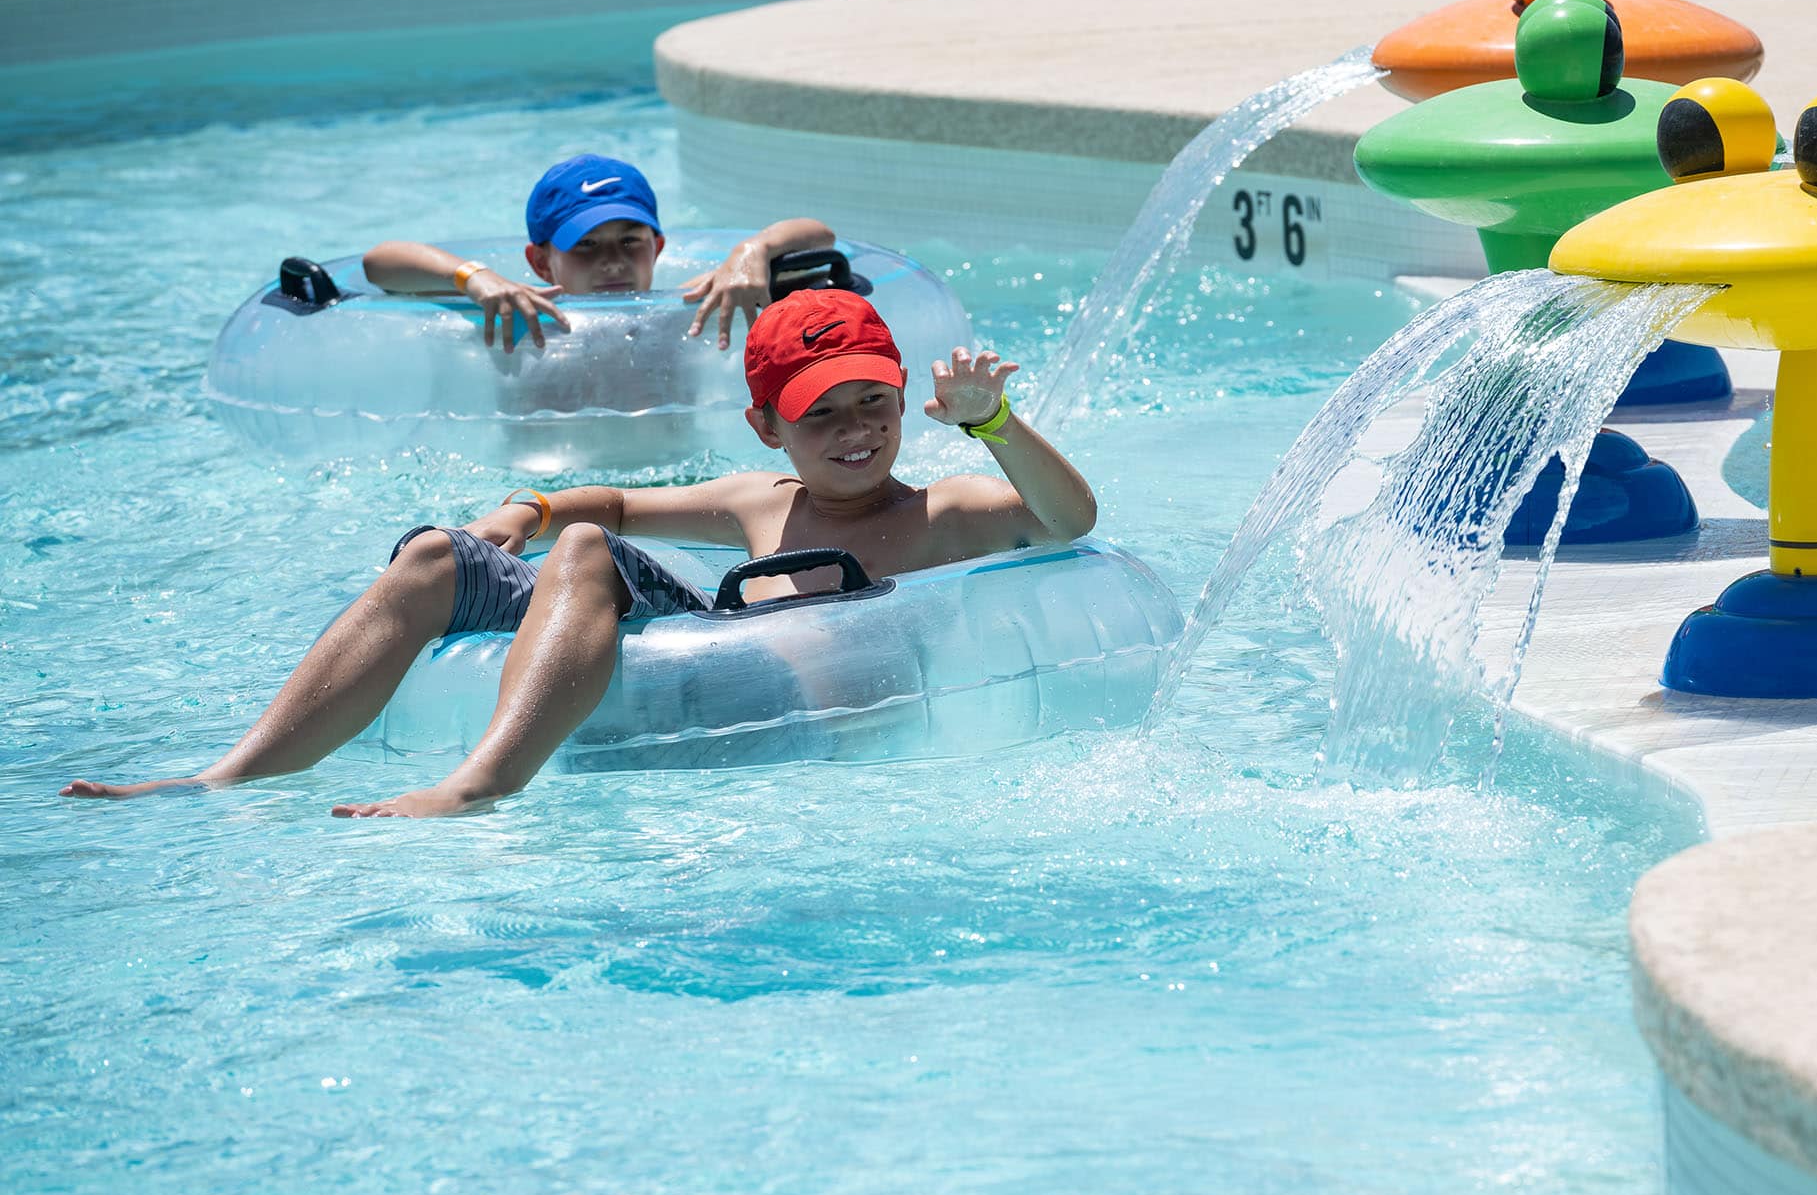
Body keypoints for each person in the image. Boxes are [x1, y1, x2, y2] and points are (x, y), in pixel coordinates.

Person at [62, 290, 1094, 818]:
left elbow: (1068, 517)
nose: (854, 430)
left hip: (794, 722)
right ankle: (233, 772)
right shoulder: (758, 498)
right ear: (768, 427)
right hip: (696, 688)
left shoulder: (945, 509)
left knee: (594, 549)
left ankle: (482, 783)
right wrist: (525, 506)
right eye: (819, 414)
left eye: (874, 403)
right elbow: (603, 496)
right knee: (435, 555)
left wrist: (994, 420)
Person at [361, 153, 834, 350]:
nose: (612, 260)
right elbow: (380, 262)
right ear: (540, 261)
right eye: (585, 245)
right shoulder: (521, 311)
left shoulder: (691, 303)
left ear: (658, 247)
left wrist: (754, 250)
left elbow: (820, 235)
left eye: (631, 240)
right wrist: (473, 277)